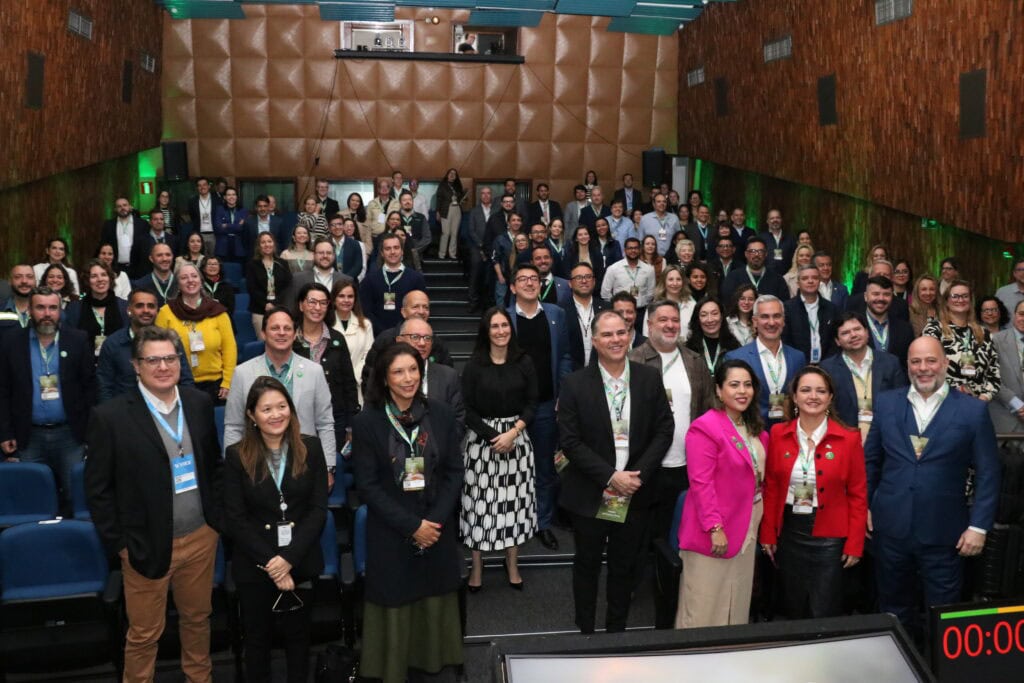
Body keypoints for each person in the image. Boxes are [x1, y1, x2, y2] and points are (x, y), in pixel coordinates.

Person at [85, 326, 222, 682]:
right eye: (153, 359)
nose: (163, 366)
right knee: (145, 634)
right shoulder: (110, 417)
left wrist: (215, 523)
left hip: (200, 537)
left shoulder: (199, 404)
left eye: (170, 358)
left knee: (198, 621)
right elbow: (98, 492)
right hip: (144, 545)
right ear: (136, 366)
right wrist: (121, 545)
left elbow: (214, 467)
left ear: (180, 361)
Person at [865, 336, 1000, 641]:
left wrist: (979, 526)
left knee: (945, 614)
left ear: (945, 364)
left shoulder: (972, 411)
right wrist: (865, 507)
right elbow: (870, 461)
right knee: (893, 611)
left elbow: (988, 473)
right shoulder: (886, 403)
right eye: (915, 361)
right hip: (890, 529)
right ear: (908, 365)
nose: (923, 368)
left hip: (946, 533)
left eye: (930, 361)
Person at [351, 344, 464, 683]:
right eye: (398, 371)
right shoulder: (366, 422)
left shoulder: (441, 414)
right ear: (384, 379)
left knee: (434, 597)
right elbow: (368, 486)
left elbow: (454, 473)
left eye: (413, 370)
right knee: (397, 599)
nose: (408, 378)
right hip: (391, 532)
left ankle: (434, 664)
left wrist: (435, 522)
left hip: (437, 529)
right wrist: (412, 526)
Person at [559, 311, 674, 633]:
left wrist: (638, 474)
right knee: (587, 564)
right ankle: (585, 631)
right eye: (607, 335)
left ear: (630, 335)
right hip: (590, 491)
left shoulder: (648, 378)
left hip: (636, 491)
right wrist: (611, 477)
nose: (616, 340)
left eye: (621, 333)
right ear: (594, 341)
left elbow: (664, 429)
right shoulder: (574, 384)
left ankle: (616, 631)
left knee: (625, 566)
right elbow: (570, 441)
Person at [223, 377, 327, 683]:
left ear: (291, 410)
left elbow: (318, 510)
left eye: (282, 406)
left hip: (300, 561)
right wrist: (274, 565)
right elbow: (235, 518)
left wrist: (289, 560)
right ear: (252, 416)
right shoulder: (236, 455)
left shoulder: (312, 447)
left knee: (299, 640)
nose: (276, 414)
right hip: (256, 566)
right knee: (257, 642)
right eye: (266, 408)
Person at [759, 367, 867, 619]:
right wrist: (768, 533)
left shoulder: (849, 438)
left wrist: (855, 543)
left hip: (830, 537)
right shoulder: (778, 433)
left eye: (821, 391)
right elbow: (772, 487)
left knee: (825, 608)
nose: (813, 396)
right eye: (805, 390)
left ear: (830, 397)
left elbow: (858, 494)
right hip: (789, 531)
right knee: (792, 605)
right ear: (794, 397)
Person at [676, 359, 767, 628]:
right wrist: (715, 526)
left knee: (736, 603)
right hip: (714, 531)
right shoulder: (705, 427)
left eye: (748, 385)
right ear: (719, 391)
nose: (742, 391)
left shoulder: (756, 430)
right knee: (704, 608)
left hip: (747, 526)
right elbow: (701, 483)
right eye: (734, 385)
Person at [460, 308, 538, 590]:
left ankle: (512, 562)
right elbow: (465, 409)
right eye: (494, 326)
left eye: (505, 325)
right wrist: (495, 436)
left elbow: (532, 403)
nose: (501, 331)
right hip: (482, 443)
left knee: (514, 506)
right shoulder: (474, 365)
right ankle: (477, 565)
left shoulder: (524, 361)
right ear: (486, 331)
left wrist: (513, 432)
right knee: (479, 506)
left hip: (517, 439)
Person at [0, 286, 95, 511]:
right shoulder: (11, 342)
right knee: (32, 498)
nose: (47, 313)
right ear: (30, 310)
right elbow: (3, 390)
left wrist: (90, 432)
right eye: (40, 307)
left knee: (76, 497)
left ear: (61, 310)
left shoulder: (78, 340)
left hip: (70, 436)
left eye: (53, 307)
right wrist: (5, 432)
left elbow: (90, 389)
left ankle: (73, 541)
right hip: (28, 435)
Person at [630, 301, 716, 547]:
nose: (670, 325)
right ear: (649, 325)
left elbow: (708, 409)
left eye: (675, 320)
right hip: (645, 465)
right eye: (663, 320)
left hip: (686, 464)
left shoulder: (694, 361)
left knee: (677, 532)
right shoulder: (633, 360)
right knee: (641, 535)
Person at [507, 264, 573, 551]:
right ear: (512, 287)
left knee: (545, 468)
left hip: (547, 404)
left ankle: (542, 522)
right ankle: (512, 521)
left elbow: (566, 356)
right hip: (511, 409)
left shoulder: (556, 314)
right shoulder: (503, 318)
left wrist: (564, 391)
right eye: (523, 279)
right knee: (512, 468)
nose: (529, 283)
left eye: (534, 279)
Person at [224, 308, 336, 470]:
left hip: (304, 462)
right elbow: (234, 426)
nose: (281, 333)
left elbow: (325, 424)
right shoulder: (242, 373)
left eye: (287, 328)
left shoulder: (314, 371)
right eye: (275, 328)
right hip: (257, 465)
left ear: (295, 333)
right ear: (263, 333)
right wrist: (234, 468)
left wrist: (328, 467)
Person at [155, 263, 236, 404]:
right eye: (184, 277)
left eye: (194, 276)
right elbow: (157, 350)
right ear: (178, 284)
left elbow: (229, 348)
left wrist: (227, 382)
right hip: (180, 385)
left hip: (216, 385)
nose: (190, 280)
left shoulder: (218, 311)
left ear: (201, 280)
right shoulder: (166, 313)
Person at [820, 312, 907, 441]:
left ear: (867, 333)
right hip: (843, 441)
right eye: (845, 333)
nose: (853, 335)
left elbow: (901, 403)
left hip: (884, 441)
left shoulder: (890, 363)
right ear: (837, 341)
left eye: (857, 329)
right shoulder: (827, 369)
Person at [97, 288, 194, 403]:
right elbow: (104, 386)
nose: (146, 310)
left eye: (151, 306)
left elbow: (186, 380)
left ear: (157, 311)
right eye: (139, 306)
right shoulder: (113, 344)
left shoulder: (170, 340)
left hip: (166, 408)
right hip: (126, 413)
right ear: (129, 310)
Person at [724, 295, 807, 427]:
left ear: (784, 320)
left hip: (789, 434)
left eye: (777, 316)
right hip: (751, 433)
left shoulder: (798, 357)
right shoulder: (737, 358)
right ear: (755, 321)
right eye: (765, 317)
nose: (772, 322)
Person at [295, 283, 360, 449]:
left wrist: (350, 424)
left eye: (323, 303)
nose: (318, 308)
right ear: (301, 305)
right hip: (296, 419)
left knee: (331, 467)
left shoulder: (336, 339)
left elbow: (349, 384)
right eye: (312, 302)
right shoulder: (290, 339)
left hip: (333, 419)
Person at [922, 280, 1000, 401]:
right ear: (947, 301)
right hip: (945, 401)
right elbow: (927, 368)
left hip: (978, 404)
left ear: (970, 300)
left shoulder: (983, 333)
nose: (960, 300)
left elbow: (994, 373)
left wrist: (983, 398)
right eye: (955, 296)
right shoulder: (934, 330)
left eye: (965, 296)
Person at [360, 234, 428, 335]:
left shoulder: (416, 278)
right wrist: (384, 334)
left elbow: (420, 310)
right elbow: (366, 311)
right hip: (378, 338)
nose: (392, 252)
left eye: (396, 248)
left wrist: (404, 332)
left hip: (408, 336)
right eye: (388, 249)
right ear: (382, 253)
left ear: (402, 251)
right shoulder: (369, 280)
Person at [329, 279, 374, 405]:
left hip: (356, 384)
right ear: (333, 299)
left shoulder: (365, 325)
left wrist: (353, 376)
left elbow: (368, 354)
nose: (346, 300)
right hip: (330, 384)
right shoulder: (325, 325)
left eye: (350, 296)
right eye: (341, 296)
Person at [782, 264, 837, 363]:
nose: (810, 281)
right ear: (798, 283)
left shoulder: (831, 308)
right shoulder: (787, 308)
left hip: (826, 366)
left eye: (815, 278)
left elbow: (834, 340)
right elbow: (785, 341)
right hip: (797, 365)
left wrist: (827, 364)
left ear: (819, 281)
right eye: (805, 278)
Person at [77, 259, 129, 358]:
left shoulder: (124, 306)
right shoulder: (75, 308)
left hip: (118, 364)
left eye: (104, 275)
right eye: (94, 276)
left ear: (110, 278)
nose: (100, 279)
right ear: (87, 281)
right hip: (85, 365)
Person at [861, 276, 915, 369]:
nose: (881, 298)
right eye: (876, 294)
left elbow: (909, 364)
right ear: (866, 296)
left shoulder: (905, 329)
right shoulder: (854, 328)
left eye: (886, 294)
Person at [246, 232, 293, 339]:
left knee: (279, 340)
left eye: (269, 241)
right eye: (263, 242)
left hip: (280, 308)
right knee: (264, 342)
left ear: (274, 244)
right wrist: (265, 304)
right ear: (259, 246)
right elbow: (251, 288)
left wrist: (274, 304)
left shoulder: (282, 263)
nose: (267, 244)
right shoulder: (252, 265)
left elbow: (288, 286)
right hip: (259, 310)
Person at [562, 262, 608, 369]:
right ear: (570, 283)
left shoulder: (607, 308)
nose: (584, 281)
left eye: (588, 277)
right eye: (578, 277)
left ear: (594, 281)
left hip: (602, 371)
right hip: (572, 374)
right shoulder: (561, 310)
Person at [720, 236, 789, 303]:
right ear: (746, 254)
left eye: (760, 251)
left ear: (766, 254)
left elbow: (783, 305)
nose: (756, 254)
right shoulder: (733, 277)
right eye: (752, 251)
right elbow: (727, 302)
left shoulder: (778, 279)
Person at [990, 300, 1024, 433]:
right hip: (1005, 421)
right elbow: (991, 377)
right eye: (1021, 314)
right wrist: (1018, 405)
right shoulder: (995, 340)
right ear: (1014, 315)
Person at [601, 237, 656, 315]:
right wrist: (617, 304)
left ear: (640, 250)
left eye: (636, 248)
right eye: (630, 248)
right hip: (619, 312)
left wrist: (641, 302)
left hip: (641, 312)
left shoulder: (649, 270)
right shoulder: (613, 268)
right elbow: (605, 292)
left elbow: (651, 293)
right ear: (625, 250)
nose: (633, 250)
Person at [686, 296, 741, 374]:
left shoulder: (735, 347)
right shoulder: (688, 349)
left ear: (722, 317)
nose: (710, 320)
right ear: (698, 319)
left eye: (714, 313)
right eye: (704, 315)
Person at [99, 197, 149, 279]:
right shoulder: (109, 225)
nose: (122, 208)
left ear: (130, 207)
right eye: (119, 206)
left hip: (137, 269)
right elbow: (103, 245)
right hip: (116, 269)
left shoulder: (142, 224)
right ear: (115, 209)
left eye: (125, 205)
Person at [642, 265, 694, 338]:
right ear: (664, 282)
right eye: (671, 279)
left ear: (683, 282)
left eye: (678, 279)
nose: (675, 283)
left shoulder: (691, 305)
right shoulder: (654, 306)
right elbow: (646, 333)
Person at [131, 243, 179, 307]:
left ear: (173, 256)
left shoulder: (181, 283)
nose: (164, 259)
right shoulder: (140, 285)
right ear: (151, 258)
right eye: (159, 255)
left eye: (168, 255)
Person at [435, 168, 466, 260]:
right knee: (446, 233)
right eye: (450, 173)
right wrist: (437, 211)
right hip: (445, 210)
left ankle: (452, 254)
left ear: (456, 176)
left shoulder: (458, 186)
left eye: (454, 174)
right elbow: (439, 198)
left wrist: (463, 199)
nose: (452, 175)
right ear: (447, 174)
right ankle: (441, 254)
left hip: (457, 210)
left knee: (454, 233)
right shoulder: (442, 185)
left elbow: (461, 198)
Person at [213, 187, 249, 263]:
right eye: (229, 195)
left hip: (239, 246)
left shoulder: (243, 210)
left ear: (236, 197)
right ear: (225, 197)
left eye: (233, 194)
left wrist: (226, 225)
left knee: (238, 270)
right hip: (222, 247)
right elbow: (218, 228)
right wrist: (237, 225)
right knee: (224, 270)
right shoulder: (219, 209)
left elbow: (242, 229)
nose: (231, 197)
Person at [188, 176, 222, 254]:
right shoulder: (192, 201)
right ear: (197, 188)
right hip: (199, 234)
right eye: (199, 185)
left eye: (204, 185)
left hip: (214, 234)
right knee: (201, 258)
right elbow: (193, 217)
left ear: (209, 186)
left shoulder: (218, 200)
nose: (202, 187)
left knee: (214, 258)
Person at [0, 264, 37, 332]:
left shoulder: (47, 311)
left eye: (29, 277)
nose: (24, 281)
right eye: (18, 277)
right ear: (10, 281)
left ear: (35, 281)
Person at [758, 209, 796, 276]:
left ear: (781, 220)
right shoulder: (761, 238)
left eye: (777, 218)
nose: (775, 220)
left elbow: (794, 258)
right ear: (767, 221)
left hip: (786, 277)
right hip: (765, 276)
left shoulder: (790, 238)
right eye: (772, 218)